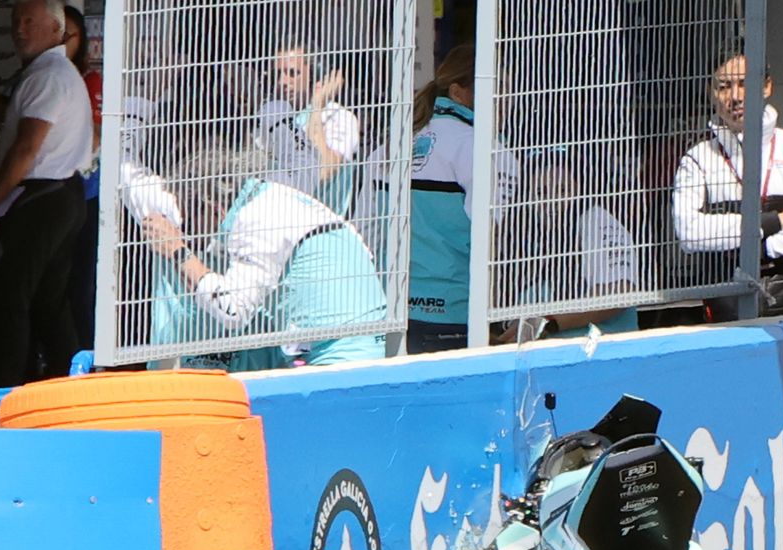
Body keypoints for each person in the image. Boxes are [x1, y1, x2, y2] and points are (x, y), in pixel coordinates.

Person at [138, 145, 385, 370]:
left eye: (188, 221)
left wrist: (177, 250)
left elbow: (233, 312)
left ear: (214, 207)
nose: (188, 232)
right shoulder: (273, 199)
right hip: (358, 343)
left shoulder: (255, 218)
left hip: (341, 357)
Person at [0, 0, 93, 388]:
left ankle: (7, 393)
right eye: (16, 21)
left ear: (56, 31)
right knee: (47, 303)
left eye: (30, 22)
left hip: (42, 197)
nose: (19, 29)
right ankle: (65, 388)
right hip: (60, 195)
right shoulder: (54, 73)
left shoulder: (49, 75)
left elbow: (28, 147)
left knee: (11, 297)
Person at [671, 50, 783, 321]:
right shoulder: (697, 159)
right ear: (711, 92)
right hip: (728, 310)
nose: (735, 96)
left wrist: (761, 249)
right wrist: (774, 222)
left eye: (744, 84)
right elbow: (689, 233)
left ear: (767, 86)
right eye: (723, 86)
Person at [403, 43, 517, 353]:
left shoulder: (395, 143)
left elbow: (370, 231)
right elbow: (494, 242)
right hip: (458, 314)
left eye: (507, 87)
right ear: (457, 92)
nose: (505, 99)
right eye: (497, 87)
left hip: (397, 313)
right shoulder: (488, 151)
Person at [501, 149, 640, 342]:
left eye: (562, 190)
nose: (552, 201)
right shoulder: (530, 237)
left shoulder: (596, 220)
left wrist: (548, 321)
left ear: (580, 189)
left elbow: (619, 292)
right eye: (541, 192)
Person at [257, 37, 360, 216]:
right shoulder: (275, 118)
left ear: (315, 75)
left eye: (292, 73)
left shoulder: (340, 118)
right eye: (278, 74)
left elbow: (323, 170)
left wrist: (317, 106)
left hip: (320, 229)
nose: (282, 81)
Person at [63, 4, 101, 350]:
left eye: (70, 35)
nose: (63, 40)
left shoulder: (92, 82)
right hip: (48, 198)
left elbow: (99, 134)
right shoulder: (41, 78)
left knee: (81, 283)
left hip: (86, 196)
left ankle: (86, 355)